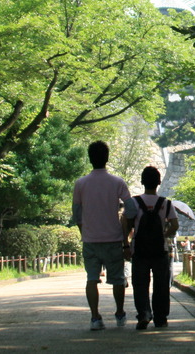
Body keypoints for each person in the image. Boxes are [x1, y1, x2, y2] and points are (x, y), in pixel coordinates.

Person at [72, 141, 135, 331]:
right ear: (107, 158)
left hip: (90, 239)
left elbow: (76, 213)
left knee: (92, 278)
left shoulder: (81, 183)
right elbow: (131, 208)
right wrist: (125, 226)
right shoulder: (117, 182)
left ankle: (95, 317)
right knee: (117, 279)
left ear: (90, 158)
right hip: (113, 238)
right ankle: (119, 313)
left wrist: (84, 231)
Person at [124, 165, 179, 330]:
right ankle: (160, 318)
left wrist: (126, 245)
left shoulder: (133, 202)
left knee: (140, 284)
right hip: (159, 250)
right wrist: (164, 234)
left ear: (142, 182)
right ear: (159, 182)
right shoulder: (166, 203)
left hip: (139, 250)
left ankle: (144, 314)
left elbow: (126, 224)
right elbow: (175, 225)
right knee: (161, 285)